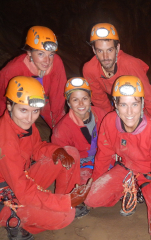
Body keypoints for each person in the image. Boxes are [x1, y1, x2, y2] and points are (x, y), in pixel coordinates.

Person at [84, 76, 151, 240]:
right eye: (123, 104)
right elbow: (104, 155)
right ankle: (129, 190)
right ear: (116, 105)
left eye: (135, 104)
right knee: (91, 199)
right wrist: (96, 181)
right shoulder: (109, 121)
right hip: (126, 170)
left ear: (142, 104)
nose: (129, 112)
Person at [0, 76, 92, 240]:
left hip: (21, 181)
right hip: (6, 198)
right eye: (23, 110)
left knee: (69, 153)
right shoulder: (4, 139)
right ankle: (13, 221)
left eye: (35, 111)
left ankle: (67, 200)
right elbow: (23, 192)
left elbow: (36, 148)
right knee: (64, 217)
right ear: (9, 105)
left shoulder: (23, 124)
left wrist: (55, 151)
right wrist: (65, 202)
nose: (29, 118)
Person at [82, 23, 151, 133]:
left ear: (117, 48)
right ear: (94, 50)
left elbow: (148, 95)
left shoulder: (130, 64)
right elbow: (99, 100)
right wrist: (114, 121)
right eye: (100, 51)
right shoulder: (89, 70)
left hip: (142, 101)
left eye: (110, 50)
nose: (105, 57)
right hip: (121, 104)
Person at [0, 26, 67, 128]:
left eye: (51, 54)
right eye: (41, 54)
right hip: (19, 104)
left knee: (63, 127)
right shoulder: (14, 69)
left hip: (44, 100)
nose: (47, 61)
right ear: (29, 52)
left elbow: (58, 94)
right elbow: (3, 99)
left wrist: (57, 120)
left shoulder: (56, 62)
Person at [52, 77, 107, 184]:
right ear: (68, 103)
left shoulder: (101, 115)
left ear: (90, 99)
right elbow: (60, 155)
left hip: (103, 155)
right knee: (87, 184)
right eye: (75, 100)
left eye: (85, 98)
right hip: (81, 162)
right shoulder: (62, 129)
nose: (81, 104)